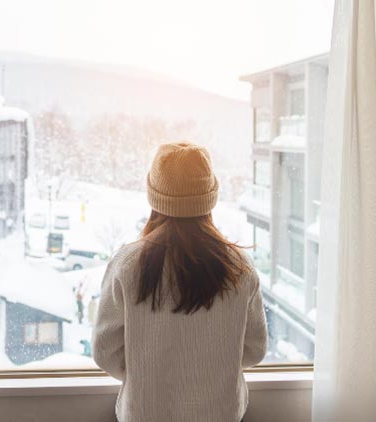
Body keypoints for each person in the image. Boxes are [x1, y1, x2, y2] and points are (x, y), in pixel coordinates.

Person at [92, 142, 268, 422]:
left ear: (154, 197)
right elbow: (254, 350)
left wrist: (145, 373)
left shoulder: (127, 264)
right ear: (210, 198)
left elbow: (106, 351)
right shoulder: (240, 268)